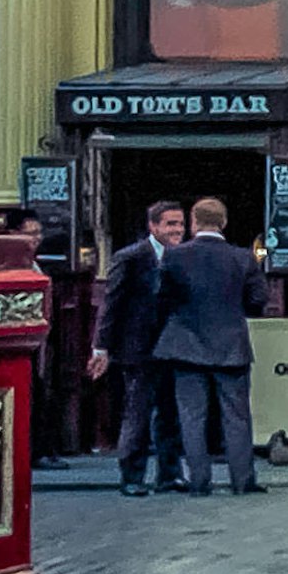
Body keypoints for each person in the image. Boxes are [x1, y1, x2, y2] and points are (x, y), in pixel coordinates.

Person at [149, 197, 270, 498]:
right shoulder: (243, 258)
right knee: (237, 416)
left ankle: (199, 481)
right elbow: (258, 301)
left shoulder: (175, 257)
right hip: (231, 346)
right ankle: (243, 481)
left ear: (193, 222)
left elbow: (161, 299)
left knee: (191, 416)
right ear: (224, 222)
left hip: (186, 345)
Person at [87, 197, 187, 496]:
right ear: (153, 226)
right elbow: (111, 304)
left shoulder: (183, 257)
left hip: (173, 347)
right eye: (171, 224)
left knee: (170, 414)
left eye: (181, 224)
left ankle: (170, 475)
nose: (177, 230)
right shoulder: (130, 257)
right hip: (137, 349)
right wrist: (100, 348)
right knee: (138, 414)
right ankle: (132, 475)